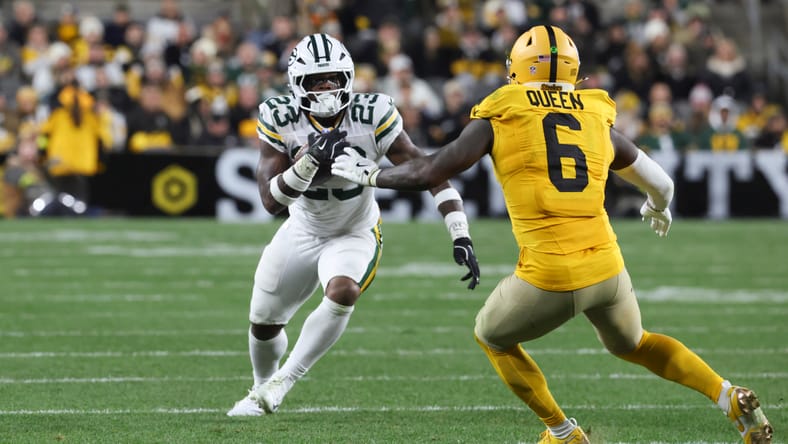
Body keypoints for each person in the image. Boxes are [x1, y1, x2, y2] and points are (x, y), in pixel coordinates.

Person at [332, 25, 773, 444]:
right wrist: (656, 207)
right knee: (635, 342)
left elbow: (429, 170)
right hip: (607, 269)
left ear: (518, 68)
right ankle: (727, 395)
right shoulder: (595, 116)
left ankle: (562, 433)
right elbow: (662, 184)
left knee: (491, 336)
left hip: (550, 275)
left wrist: (369, 174)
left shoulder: (502, 112)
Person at [226, 33, 480, 417]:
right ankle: (261, 387)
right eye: (316, 80)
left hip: (354, 230)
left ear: (348, 77)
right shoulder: (280, 115)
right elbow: (270, 200)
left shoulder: (372, 113)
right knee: (263, 323)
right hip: (302, 228)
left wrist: (459, 231)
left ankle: (282, 383)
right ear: (297, 84)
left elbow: (428, 171)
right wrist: (309, 162)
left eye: (333, 77)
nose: (327, 87)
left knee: (343, 290)